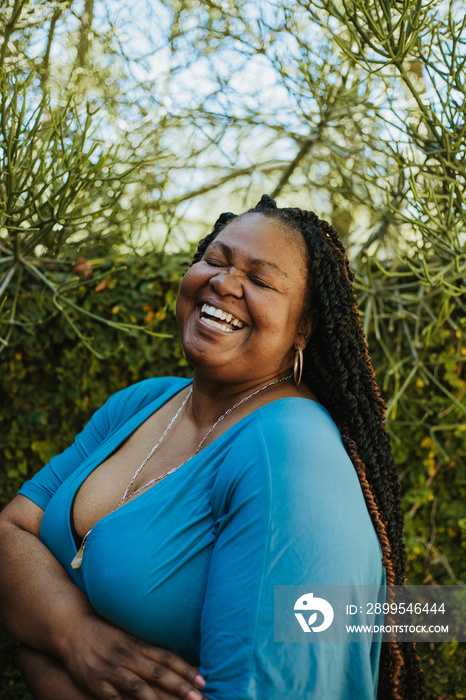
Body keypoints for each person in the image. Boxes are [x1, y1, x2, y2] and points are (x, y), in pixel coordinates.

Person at [0, 195, 424, 700]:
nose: (223, 282)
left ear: (303, 327)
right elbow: (9, 528)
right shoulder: (142, 402)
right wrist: (71, 635)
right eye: (214, 260)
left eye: (261, 280)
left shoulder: (291, 449)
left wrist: (43, 662)